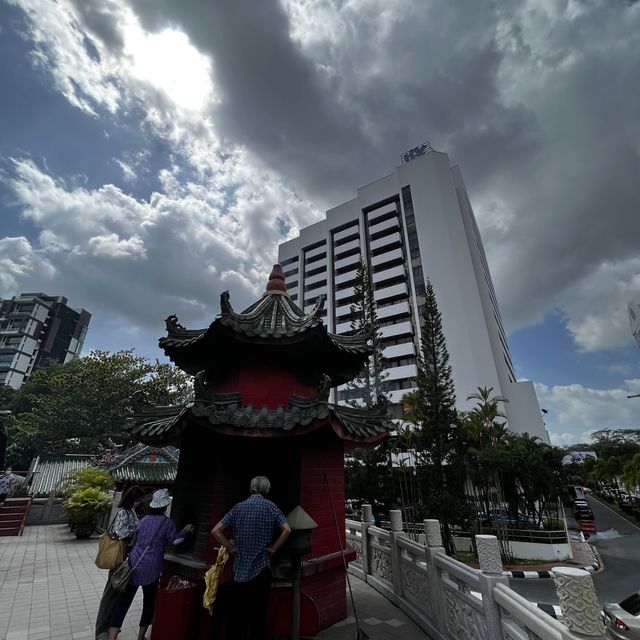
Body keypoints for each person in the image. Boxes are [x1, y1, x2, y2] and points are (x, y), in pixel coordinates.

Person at [107, 489, 194, 640]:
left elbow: (134, 542)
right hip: (152, 570)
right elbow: (175, 541)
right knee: (148, 603)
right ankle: (141, 637)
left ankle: (111, 637)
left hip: (134, 565)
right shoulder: (167, 523)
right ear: (165, 506)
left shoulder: (144, 520)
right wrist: (185, 530)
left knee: (123, 603)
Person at [211, 476, 291, 640]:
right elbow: (287, 529)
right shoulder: (271, 507)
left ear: (251, 488)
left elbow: (215, 531)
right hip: (261, 570)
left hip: (239, 572)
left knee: (237, 619)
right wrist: (273, 549)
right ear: (266, 490)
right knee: (258, 618)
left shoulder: (238, 507)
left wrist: (230, 547)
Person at [95, 486, 146, 640]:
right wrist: (136, 530)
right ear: (132, 499)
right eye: (137, 500)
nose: (138, 503)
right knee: (111, 592)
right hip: (119, 555)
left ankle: (110, 626)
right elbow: (119, 532)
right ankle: (101, 630)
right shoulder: (123, 512)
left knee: (117, 592)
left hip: (126, 555)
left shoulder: (131, 512)